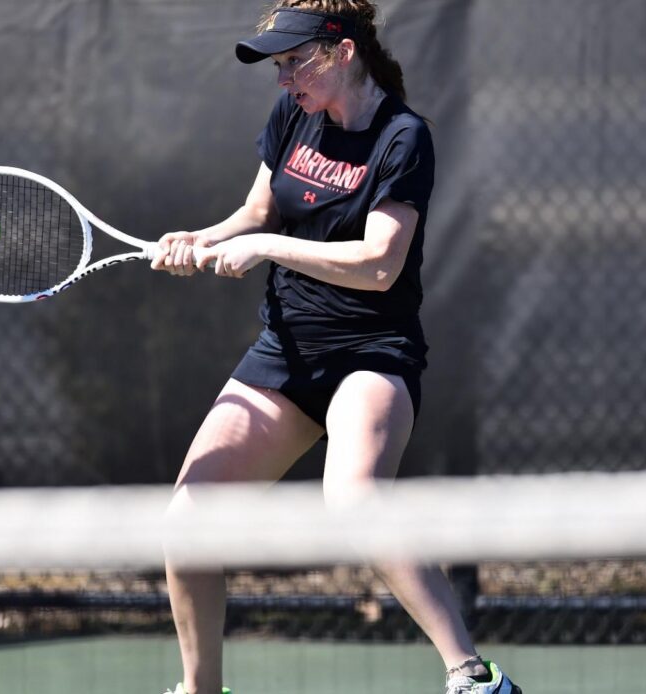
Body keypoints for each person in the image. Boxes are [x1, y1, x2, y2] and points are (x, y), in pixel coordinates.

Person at [151, 2, 522, 693]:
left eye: (296, 63)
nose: (284, 80)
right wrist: (199, 239)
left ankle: (475, 677)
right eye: (279, 67)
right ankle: (202, 691)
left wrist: (262, 248)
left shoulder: (403, 138)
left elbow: (380, 263)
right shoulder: (295, 118)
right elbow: (255, 214)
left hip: (371, 354)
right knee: (187, 522)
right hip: (285, 353)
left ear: (343, 51)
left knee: (354, 502)